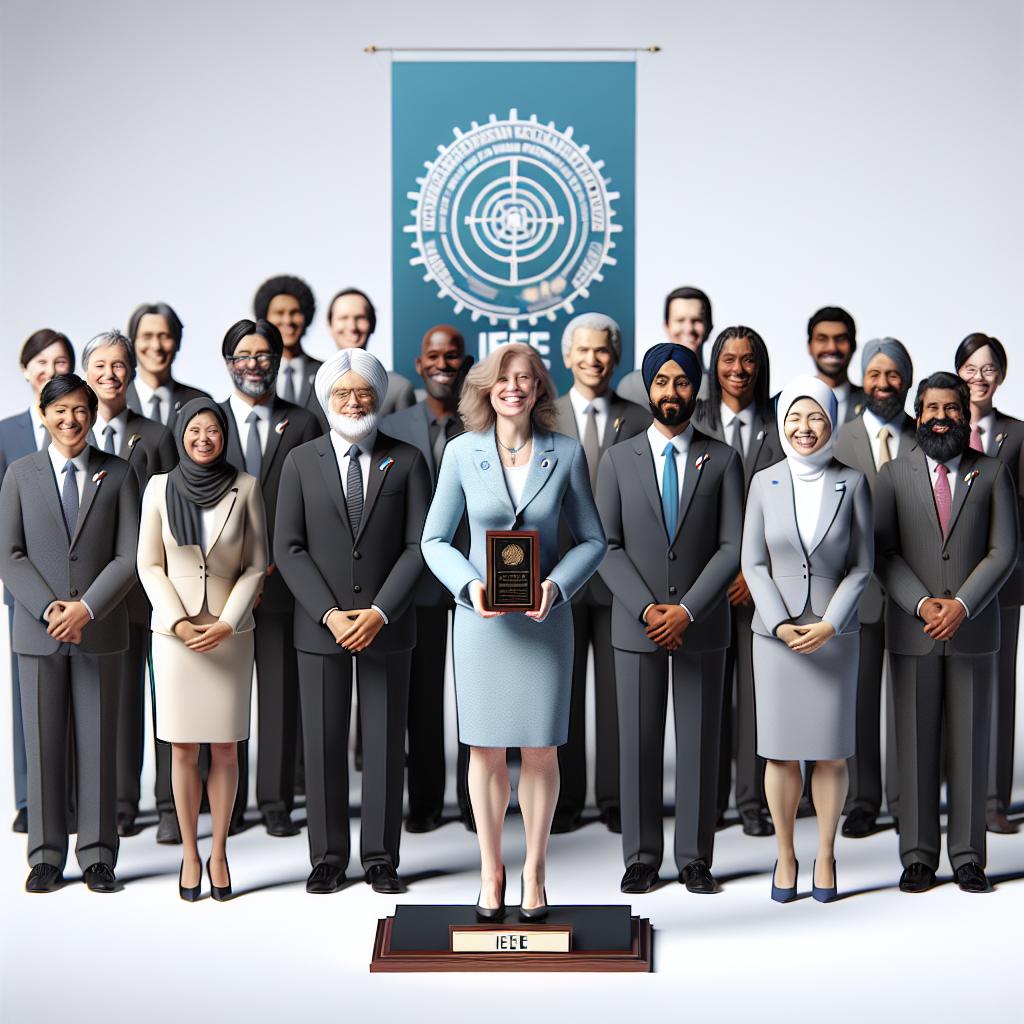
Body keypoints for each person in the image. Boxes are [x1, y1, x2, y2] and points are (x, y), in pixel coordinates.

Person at [421, 342, 606, 919]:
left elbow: (594, 541)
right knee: (485, 750)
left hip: (544, 622)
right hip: (483, 624)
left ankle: (536, 869)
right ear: (485, 388)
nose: (514, 387)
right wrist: (468, 584)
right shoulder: (460, 453)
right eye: (503, 378)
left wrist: (557, 586)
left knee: (542, 750)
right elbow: (433, 540)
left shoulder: (567, 453)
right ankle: (490, 869)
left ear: (539, 389)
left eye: (525, 378)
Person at [274, 348, 430, 895]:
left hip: (388, 624)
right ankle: (328, 857)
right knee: (321, 743)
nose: (353, 401)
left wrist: (380, 612)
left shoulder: (407, 460)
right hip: (321, 628)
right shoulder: (300, 460)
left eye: (363, 391)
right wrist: (330, 614)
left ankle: (382, 857)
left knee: (387, 744)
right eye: (342, 393)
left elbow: (419, 545)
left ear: (379, 396)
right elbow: (288, 548)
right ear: (325, 399)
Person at [597, 343, 743, 896]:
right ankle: (640, 856)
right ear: (647, 387)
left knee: (701, 744)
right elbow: (607, 545)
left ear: (696, 388)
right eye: (662, 382)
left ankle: (694, 858)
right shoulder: (617, 459)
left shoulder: (723, 459)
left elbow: (731, 546)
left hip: (701, 625)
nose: (672, 393)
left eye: (683, 383)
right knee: (637, 745)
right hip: (637, 627)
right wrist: (646, 608)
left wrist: (685, 610)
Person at [875, 372, 1017, 894]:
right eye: (931, 408)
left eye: (951, 408)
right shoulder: (892, 474)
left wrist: (961, 604)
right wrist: (920, 603)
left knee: (970, 746)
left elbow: (1004, 551)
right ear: (918, 414)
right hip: (913, 632)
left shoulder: (993, 471)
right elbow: (882, 554)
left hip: (973, 630)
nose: (941, 417)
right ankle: (916, 855)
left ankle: (968, 856)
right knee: (913, 746)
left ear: (966, 414)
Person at [0, 373, 140, 893]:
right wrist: (48, 610)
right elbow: (8, 554)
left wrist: (86, 609)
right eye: (60, 411)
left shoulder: (120, 474)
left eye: (81, 409)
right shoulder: (20, 473)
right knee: (43, 746)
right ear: (43, 414)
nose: (71, 420)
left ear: (93, 413)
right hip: (38, 635)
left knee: (100, 743)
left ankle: (99, 855)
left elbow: (129, 556)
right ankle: (44, 856)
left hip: (99, 631)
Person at [742, 375, 873, 903]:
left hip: (834, 635)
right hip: (775, 638)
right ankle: (785, 854)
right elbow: (752, 562)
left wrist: (830, 623)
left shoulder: (854, 483)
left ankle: (824, 853)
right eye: (795, 417)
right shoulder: (764, 481)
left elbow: (862, 567)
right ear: (781, 423)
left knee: (829, 754)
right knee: (779, 755)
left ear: (831, 422)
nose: (804, 427)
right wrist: (777, 623)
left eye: (815, 416)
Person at [137, 399, 267, 900]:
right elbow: (149, 564)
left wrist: (228, 622)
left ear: (224, 435)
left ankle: (219, 854)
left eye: (214, 429)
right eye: (195, 429)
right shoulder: (158, 488)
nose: (204, 438)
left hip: (231, 634)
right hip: (175, 637)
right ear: (181, 433)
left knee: (226, 748)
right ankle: (190, 853)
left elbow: (257, 564)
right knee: (184, 747)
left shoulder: (247, 487)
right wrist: (177, 622)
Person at [217, 318, 321, 836]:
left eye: (264, 355)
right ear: (228, 362)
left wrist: (274, 562)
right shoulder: (204, 421)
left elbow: (313, 502)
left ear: (278, 362)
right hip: (219, 588)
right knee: (225, 695)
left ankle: (276, 800)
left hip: (283, 582)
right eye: (244, 355)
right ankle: (229, 803)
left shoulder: (302, 422)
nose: (254, 365)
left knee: (280, 696)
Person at [552, 312, 650, 835]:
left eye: (603, 350)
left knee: (618, 698)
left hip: (620, 580)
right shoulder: (544, 415)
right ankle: (564, 803)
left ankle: (614, 800)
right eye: (583, 351)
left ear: (615, 357)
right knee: (561, 696)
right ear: (567, 357)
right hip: (560, 578)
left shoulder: (638, 418)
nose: (593, 359)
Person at [81, 329, 177, 838]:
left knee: (165, 698)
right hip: (97, 593)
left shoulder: (157, 435)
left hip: (149, 592)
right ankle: (121, 802)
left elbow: (171, 512)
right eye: (99, 365)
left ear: (131, 370)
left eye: (118, 365)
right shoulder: (74, 433)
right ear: (85, 371)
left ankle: (168, 805)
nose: (110, 375)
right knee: (115, 703)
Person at [380, 324, 474, 832]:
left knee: (477, 694)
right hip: (416, 584)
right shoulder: (394, 426)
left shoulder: (484, 424)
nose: (442, 363)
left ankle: (474, 800)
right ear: (420, 366)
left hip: (476, 578)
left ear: (465, 363)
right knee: (420, 696)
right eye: (433, 355)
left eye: (452, 355)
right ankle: (426, 801)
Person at [694, 326, 782, 838]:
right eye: (728, 359)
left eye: (749, 361)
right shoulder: (695, 418)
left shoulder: (782, 421)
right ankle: (709, 801)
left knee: (755, 697)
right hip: (705, 587)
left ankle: (752, 800)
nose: (738, 369)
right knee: (706, 698)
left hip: (763, 588)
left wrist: (753, 573)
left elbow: (793, 505)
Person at [832, 338, 916, 838]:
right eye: (875, 374)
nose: (883, 384)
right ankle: (862, 799)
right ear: (863, 379)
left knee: (908, 699)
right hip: (853, 594)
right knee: (858, 700)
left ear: (906, 380)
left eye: (894, 375)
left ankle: (907, 798)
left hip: (910, 591)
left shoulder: (926, 436)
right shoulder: (837, 439)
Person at [0, 329, 75, 834]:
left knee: (81, 697)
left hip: (81, 595)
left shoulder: (80, 432)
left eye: (61, 361)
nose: (50, 369)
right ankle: (30, 798)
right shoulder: (6, 433)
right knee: (31, 699)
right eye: (41, 362)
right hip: (27, 591)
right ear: (26, 370)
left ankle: (72, 796)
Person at [954, 333, 1024, 835]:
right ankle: (949, 794)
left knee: (998, 688)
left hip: (1003, 581)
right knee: (951, 687)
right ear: (957, 372)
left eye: (989, 369)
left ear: (1001, 375)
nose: (979, 378)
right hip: (947, 584)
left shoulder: (1017, 435)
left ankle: (993, 799)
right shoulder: (937, 427)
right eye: (971, 368)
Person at [325, 287, 415, 417]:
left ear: (373, 324)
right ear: (329, 325)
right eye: (343, 318)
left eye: (360, 317)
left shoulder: (398, 388)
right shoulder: (311, 385)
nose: (352, 327)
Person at [617, 287, 713, 408]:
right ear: (667, 326)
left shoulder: (723, 388)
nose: (688, 329)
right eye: (680, 320)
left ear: (709, 327)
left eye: (696, 320)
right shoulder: (634, 386)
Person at [126, 302, 211, 429]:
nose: (156, 346)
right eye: (147, 337)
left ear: (177, 343)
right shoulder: (114, 401)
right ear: (133, 343)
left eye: (164, 336)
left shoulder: (199, 401)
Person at [803, 306, 864, 424]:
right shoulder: (783, 402)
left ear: (854, 345)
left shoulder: (874, 404)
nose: (832, 348)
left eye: (840, 339)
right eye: (822, 339)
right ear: (809, 346)